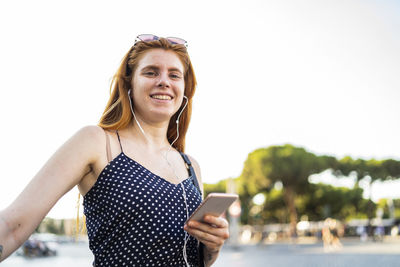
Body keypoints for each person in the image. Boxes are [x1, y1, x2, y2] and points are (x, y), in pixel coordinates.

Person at [0, 34, 229, 266]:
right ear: (129, 83)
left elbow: (198, 260)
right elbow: (11, 226)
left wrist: (212, 246)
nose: (164, 81)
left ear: (184, 88)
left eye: (174, 75)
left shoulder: (191, 166)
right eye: (151, 72)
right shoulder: (97, 142)